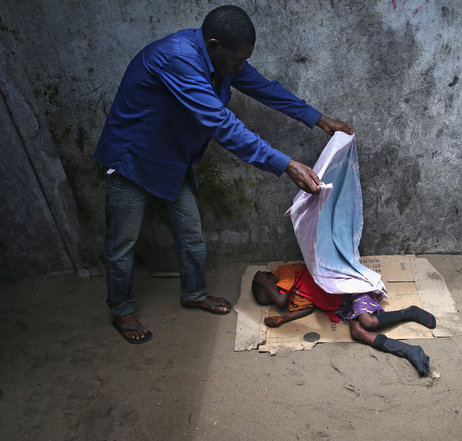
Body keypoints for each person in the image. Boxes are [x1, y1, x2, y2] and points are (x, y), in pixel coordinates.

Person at [94, 5, 353, 344]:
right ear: (213, 45)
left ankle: (193, 293)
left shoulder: (224, 61)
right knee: (121, 245)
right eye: (236, 60)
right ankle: (121, 308)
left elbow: (266, 89)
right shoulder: (178, 60)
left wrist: (318, 119)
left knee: (191, 238)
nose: (240, 68)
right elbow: (221, 124)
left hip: (171, 163)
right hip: (132, 160)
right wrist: (286, 164)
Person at [252, 264, 437, 376]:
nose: (272, 299)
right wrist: (282, 320)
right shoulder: (293, 296)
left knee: (368, 322)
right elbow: (307, 308)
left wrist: (265, 283)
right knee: (358, 333)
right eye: (268, 300)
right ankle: (409, 350)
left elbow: (280, 300)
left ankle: (410, 312)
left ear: (270, 280)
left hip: (348, 286)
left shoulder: (285, 273)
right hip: (342, 304)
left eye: (269, 295)